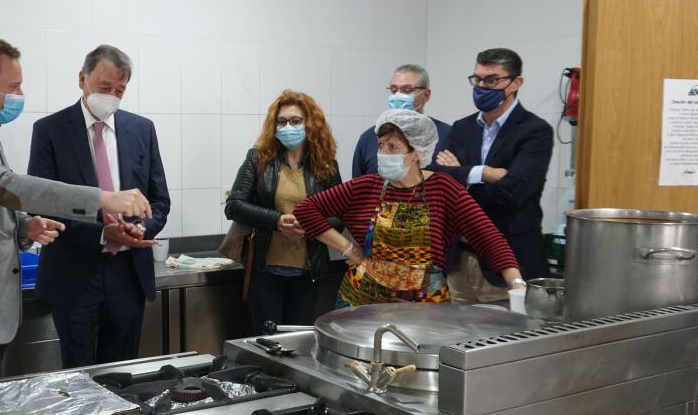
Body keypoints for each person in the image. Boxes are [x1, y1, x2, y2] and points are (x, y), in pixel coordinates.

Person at [0, 36, 152, 386]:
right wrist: (103, 198)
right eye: (13, 86)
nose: (19, 94)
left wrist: (24, 226)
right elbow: (9, 185)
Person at [27, 45, 170, 368]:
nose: (112, 96)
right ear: (82, 79)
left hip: (128, 273)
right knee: (79, 376)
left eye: (120, 90)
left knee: (122, 373)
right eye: (105, 87)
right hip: (74, 273)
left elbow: (159, 199)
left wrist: (140, 228)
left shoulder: (141, 130)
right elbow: (44, 203)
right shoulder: (50, 131)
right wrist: (103, 233)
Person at [293, 109, 525, 307]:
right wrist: (349, 250)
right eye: (381, 146)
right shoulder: (367, 186)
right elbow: (306, 210)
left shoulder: (443, 188)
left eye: (393, 147)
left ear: (417, 152)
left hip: (423, 307)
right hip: (362, 301)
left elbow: (489, 238)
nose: (383, 154)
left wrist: (516, 285)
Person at [430, 48, 552, 303]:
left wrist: (461, 179)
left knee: (505, 339)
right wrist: (484, 173)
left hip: (507, 263)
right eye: (478, 79)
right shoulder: (462, 128)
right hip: (460, 261)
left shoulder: (535, 131)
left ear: (515, 82)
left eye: (492, 80)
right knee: (459, 338)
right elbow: (436, 178)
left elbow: (513, 192)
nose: (482, 86)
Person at [225, 90, 344, 335]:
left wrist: (310, 225)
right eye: (282, 121)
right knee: (267, 343)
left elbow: (340, 215)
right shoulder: (258, 158)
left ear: (310, 124)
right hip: (265, 272)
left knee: (298, 345)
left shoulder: (326, 165)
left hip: (308, 272)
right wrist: (277, 220)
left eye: (296, 121)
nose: (288, 126)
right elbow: (234, 205)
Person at [351, 64, 451, 177]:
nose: (398, 95)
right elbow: (357, 188)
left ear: (426, 95)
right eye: (394, 90)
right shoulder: (369, 137)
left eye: (407, 90)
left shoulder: (448, 135)